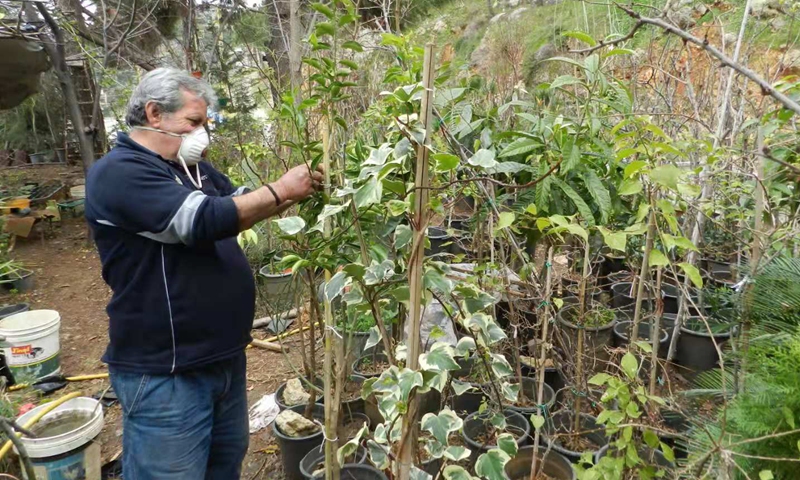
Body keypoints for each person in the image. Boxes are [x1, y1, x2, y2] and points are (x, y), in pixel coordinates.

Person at [85, 67, 323, 480]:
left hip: (222, 358)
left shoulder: (193, 169)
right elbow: (202, 219)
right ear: (154, 114)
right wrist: (282, 189)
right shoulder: (119, 172)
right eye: (193, 122)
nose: (202, 133)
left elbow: (239, 205)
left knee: (223, 465)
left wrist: (297, 191)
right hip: (168, 373)